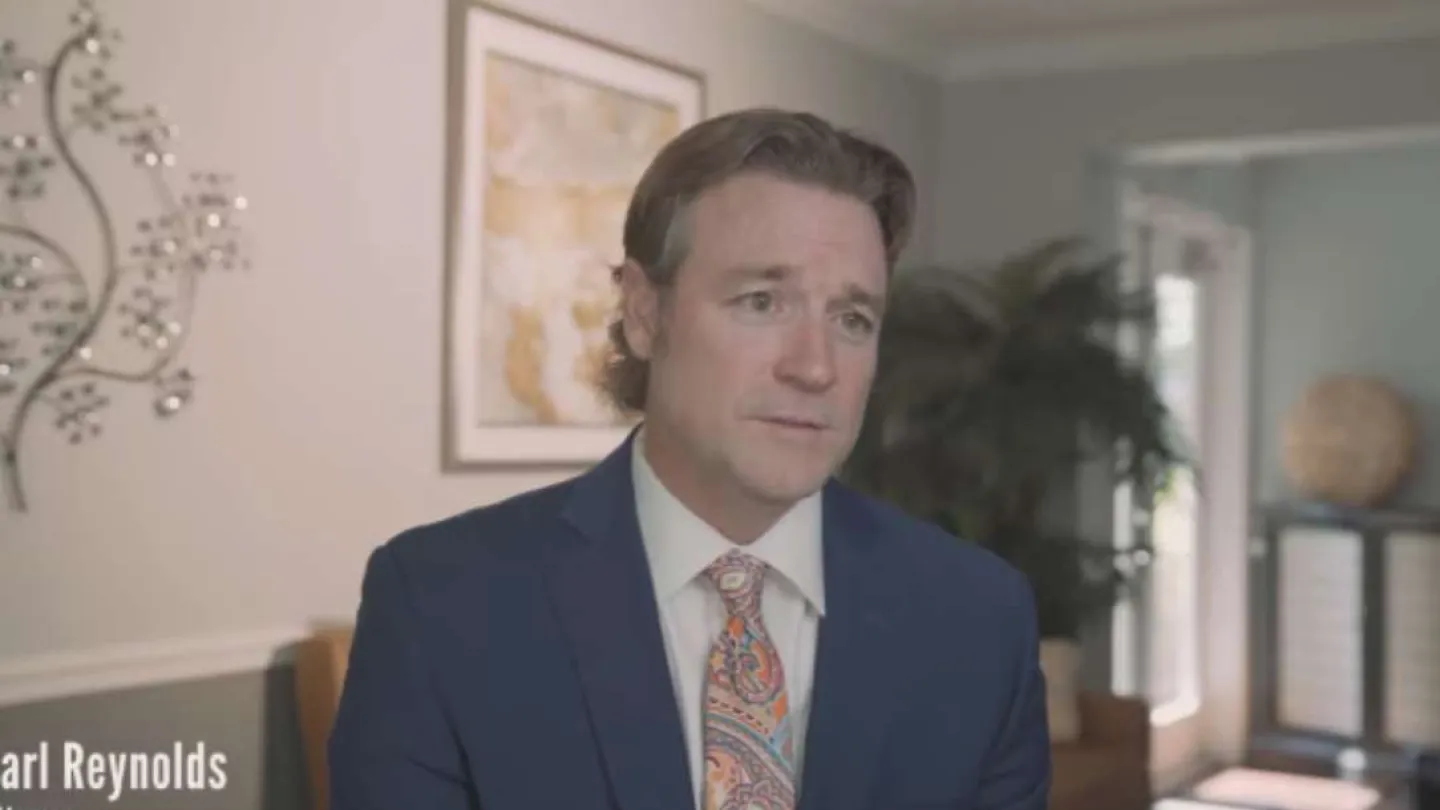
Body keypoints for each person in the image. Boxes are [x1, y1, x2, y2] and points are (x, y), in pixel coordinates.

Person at [328, 107, 1051, 810]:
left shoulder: (980, 621)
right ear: (645, 313)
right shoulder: (440, 605)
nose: (816, 367)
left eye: (852, 319)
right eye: (763, 301)